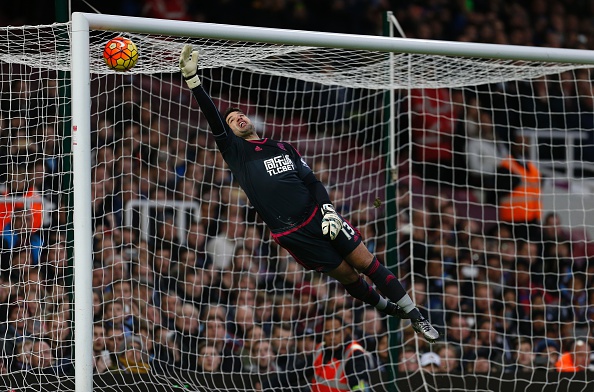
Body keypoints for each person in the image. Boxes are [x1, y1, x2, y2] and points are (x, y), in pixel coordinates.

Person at [178, 45, 438, 343]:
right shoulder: (236, 153)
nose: (238, 118)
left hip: (320, 215)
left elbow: (312, 181)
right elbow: (213, 118)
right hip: (293, 234)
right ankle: (387, 307)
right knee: (350, 278)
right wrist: (194, 82)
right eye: (232, 119)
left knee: (368, 263)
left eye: (240, 114)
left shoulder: (283, 148)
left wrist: (328, 210)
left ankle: (416, 317)